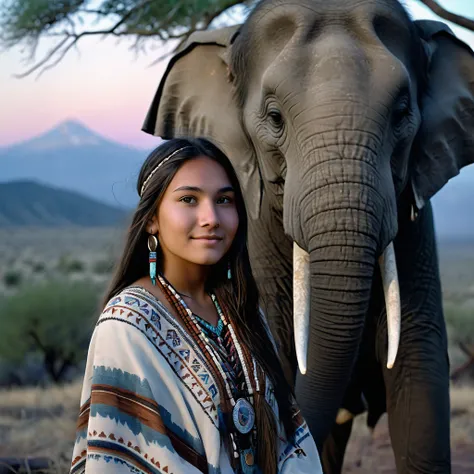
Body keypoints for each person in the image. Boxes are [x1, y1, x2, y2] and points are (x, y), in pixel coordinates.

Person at [70, 137, 322, 474]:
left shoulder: (243, 311)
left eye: (224, 200)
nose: (211, 217)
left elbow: (289, 438)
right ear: (152, 219)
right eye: (189, 199)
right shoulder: (127, 323)